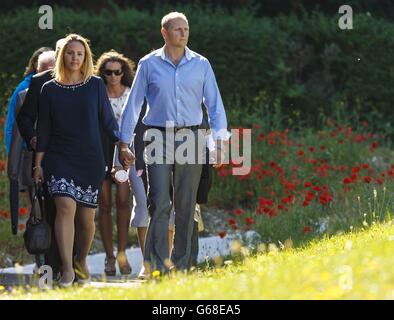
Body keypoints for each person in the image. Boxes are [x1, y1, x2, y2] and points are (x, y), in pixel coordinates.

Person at [118, 12, 229, 275]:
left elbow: (214, 105)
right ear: (164, 32)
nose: (183, 33)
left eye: (186, 29)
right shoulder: (148, 64)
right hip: (157, 136)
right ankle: (157, 266)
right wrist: (124, 142)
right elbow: (133, 105)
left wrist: (220, 141)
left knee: (187, 204)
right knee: (158, 200)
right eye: (177, 29)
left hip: (191, 135)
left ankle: (184, 266)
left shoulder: (201, 64)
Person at [33, 34, 119, 287]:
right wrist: (38, 164)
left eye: (80, 54)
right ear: (63, 56)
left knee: (85, 219)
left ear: (85, 57)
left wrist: (122, 145)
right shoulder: (48, 90)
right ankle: (68, 269)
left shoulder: (94, 85)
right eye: (70, 53)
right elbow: (45, 130)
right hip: (58, 157)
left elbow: (108, 120)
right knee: (65, 207)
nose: (75, 57)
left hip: (90, 159)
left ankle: (81, 260)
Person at [16, 40, 65, 279]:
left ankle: (76, 262)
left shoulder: (88, 80)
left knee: (78, 212)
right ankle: (55, 267)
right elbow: (24, 119)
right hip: (46, 157)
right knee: (52, 210)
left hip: (78, 155)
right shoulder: (39, 82)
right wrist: (34, 139)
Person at [95, 50, 141, 276]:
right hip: (101, 151)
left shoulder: (132, 94)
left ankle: (122, 254)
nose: (113, 76)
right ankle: (109, 258)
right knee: (104, 205)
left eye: (117, 72)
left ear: (124, 72)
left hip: (124, 152)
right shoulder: (97, 93)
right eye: (108, 72)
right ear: (102, 73)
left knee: (124, 202)